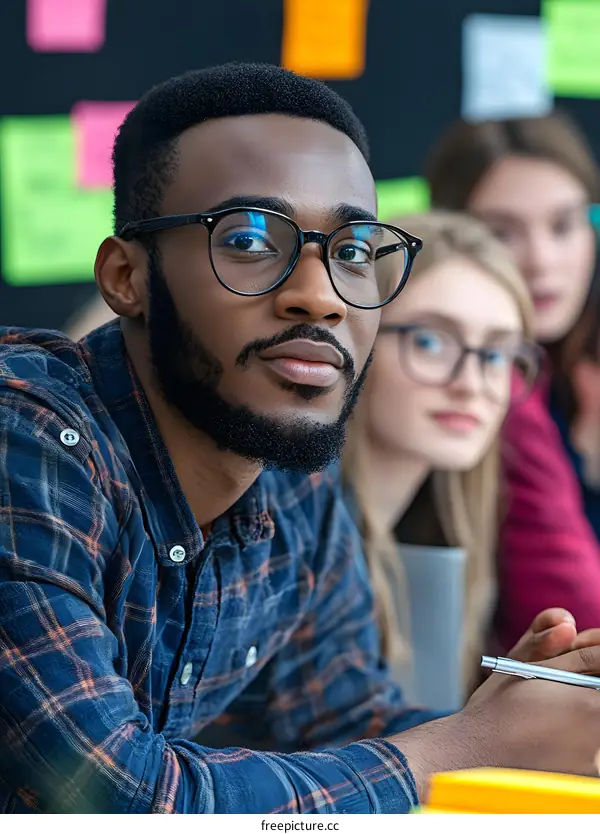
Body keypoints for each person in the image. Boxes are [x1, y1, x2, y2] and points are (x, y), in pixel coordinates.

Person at [0, 65, 599, 815]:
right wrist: (467, 746)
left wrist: (513, 714)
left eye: (352, 251)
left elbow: (351, 728)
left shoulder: (290, 479)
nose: (318, 294)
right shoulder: (26, 436)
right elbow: (114, 802)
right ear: (127, 276)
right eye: (250, 238)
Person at [343, 211, 540, 710]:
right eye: (430, 341)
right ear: (354, 339)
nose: (470, 384)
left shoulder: (445, 533)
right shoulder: (288, 535)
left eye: (496, 355)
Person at [426, 113, 600, 649]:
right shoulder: (483, 379)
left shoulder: (576, 364)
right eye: (501, 232)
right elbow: (581, 621)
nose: (542, 260)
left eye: (564, 225)